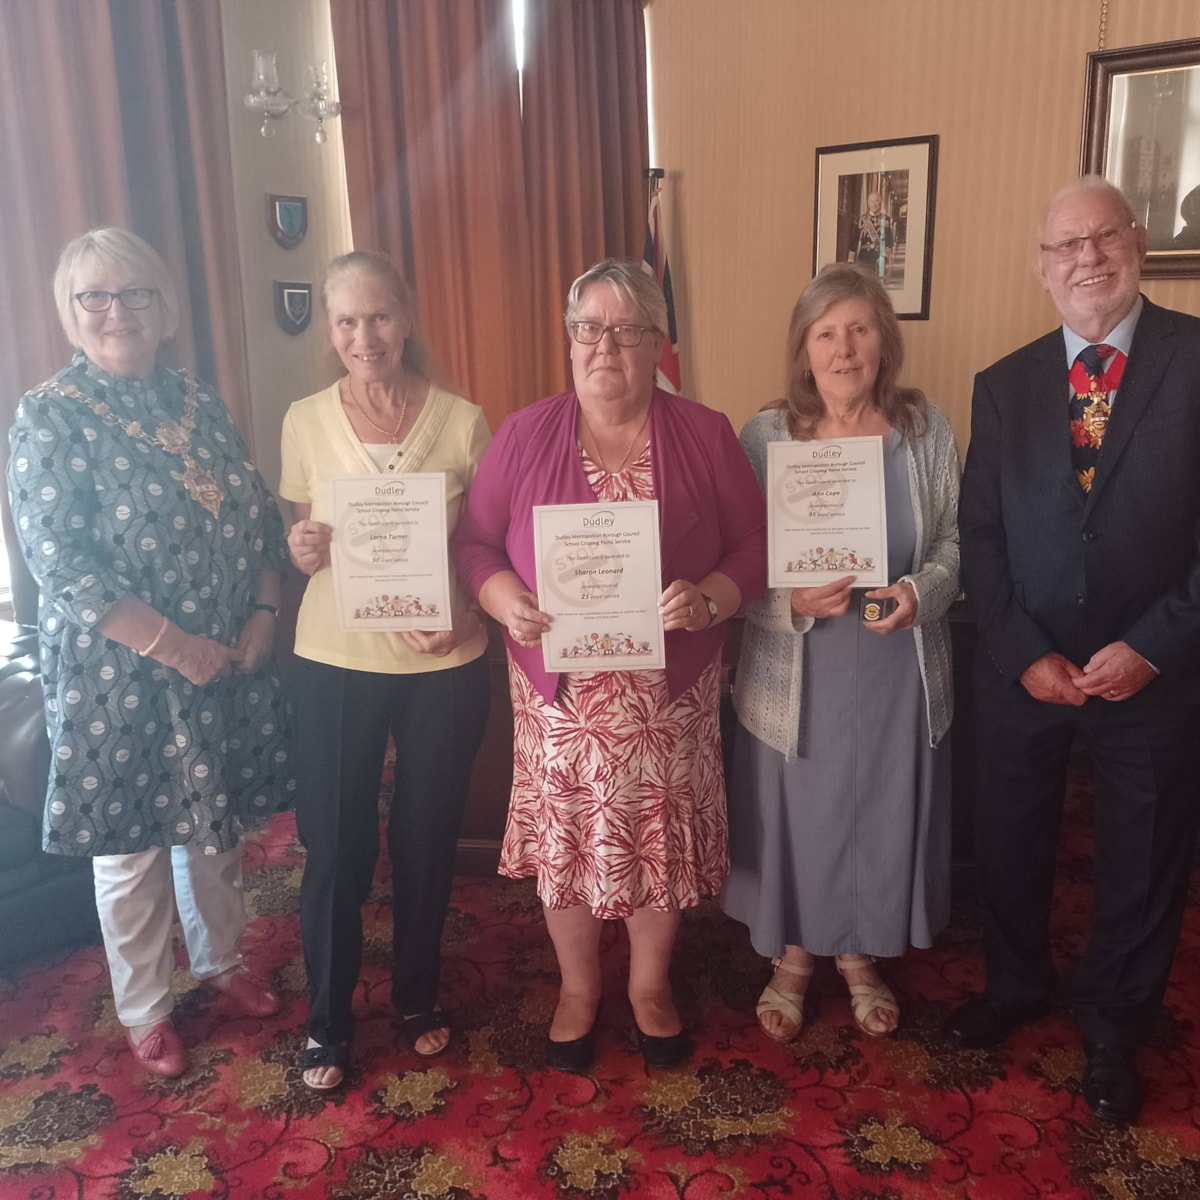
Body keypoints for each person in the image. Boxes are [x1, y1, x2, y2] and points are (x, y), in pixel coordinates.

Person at [452, 259, 766, 1073]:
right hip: (559, 698)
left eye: (626, 331)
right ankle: (579, 989)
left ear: (657, 343)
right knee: (570, 843)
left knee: (653, 844)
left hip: (668, 693)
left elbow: (755, 546)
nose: (605, 347)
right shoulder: (523, 434)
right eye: (588, 328)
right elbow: (476, 543)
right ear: (569, 340)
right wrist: (502, 597)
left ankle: (650, 988)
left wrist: (710, 599)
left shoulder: (705, 433)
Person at [6, 227, 292, 1079]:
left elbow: (255, 517)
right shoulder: (47, 415)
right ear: (69, 313)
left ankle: (221, 963)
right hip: (120, 674)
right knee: (131, 848)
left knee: (216, 830)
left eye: (134, 294)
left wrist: (266, 612)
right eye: (94, 296)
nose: (116, 312)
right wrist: (173, 647)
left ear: (165, 308)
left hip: (224, 658)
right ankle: (144, 1007)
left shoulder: (200, 402)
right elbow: (61, 565)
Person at [951, 177, 1200, 1126]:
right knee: (1011, 838)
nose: (1085, 258)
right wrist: (1019, 652)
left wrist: (1151, 646)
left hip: (1157, 667)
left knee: (1142, 858)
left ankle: (1113, 1024)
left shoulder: (1194, 358)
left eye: (1102, 238)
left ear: (1137, 243)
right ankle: (1015, 984)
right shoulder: (1005, 383)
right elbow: (981, 534)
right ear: (1041, 266)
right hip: (1028, 665)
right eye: (1065, 245)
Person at [721, 263, 959, 1043]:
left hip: (898, 660)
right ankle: (792, 954)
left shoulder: (926, 431)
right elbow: (733, 560)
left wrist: (922, 591)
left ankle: (858, 952)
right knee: (803, 810)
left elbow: (959, 541)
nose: (844, 347)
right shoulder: (765, 436)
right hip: (800, 666)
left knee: (878, 805)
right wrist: (785, 602)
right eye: (827, 332)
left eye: (860, 329)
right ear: (804, 350)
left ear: (884, 342)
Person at [280, 251, 491, 1091]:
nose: (363, 336)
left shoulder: (465, 420)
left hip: (443, 660)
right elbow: (307, 537)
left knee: (424, 836)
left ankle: (416, 999)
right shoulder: (303, 419)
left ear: (405, 317)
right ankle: (327, 1024)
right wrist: (300, 547)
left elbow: (486, 546)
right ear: (329, 332)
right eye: (345, 322)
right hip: (334, 657)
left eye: (377, 317)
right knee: (334, 844)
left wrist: (468, 612)